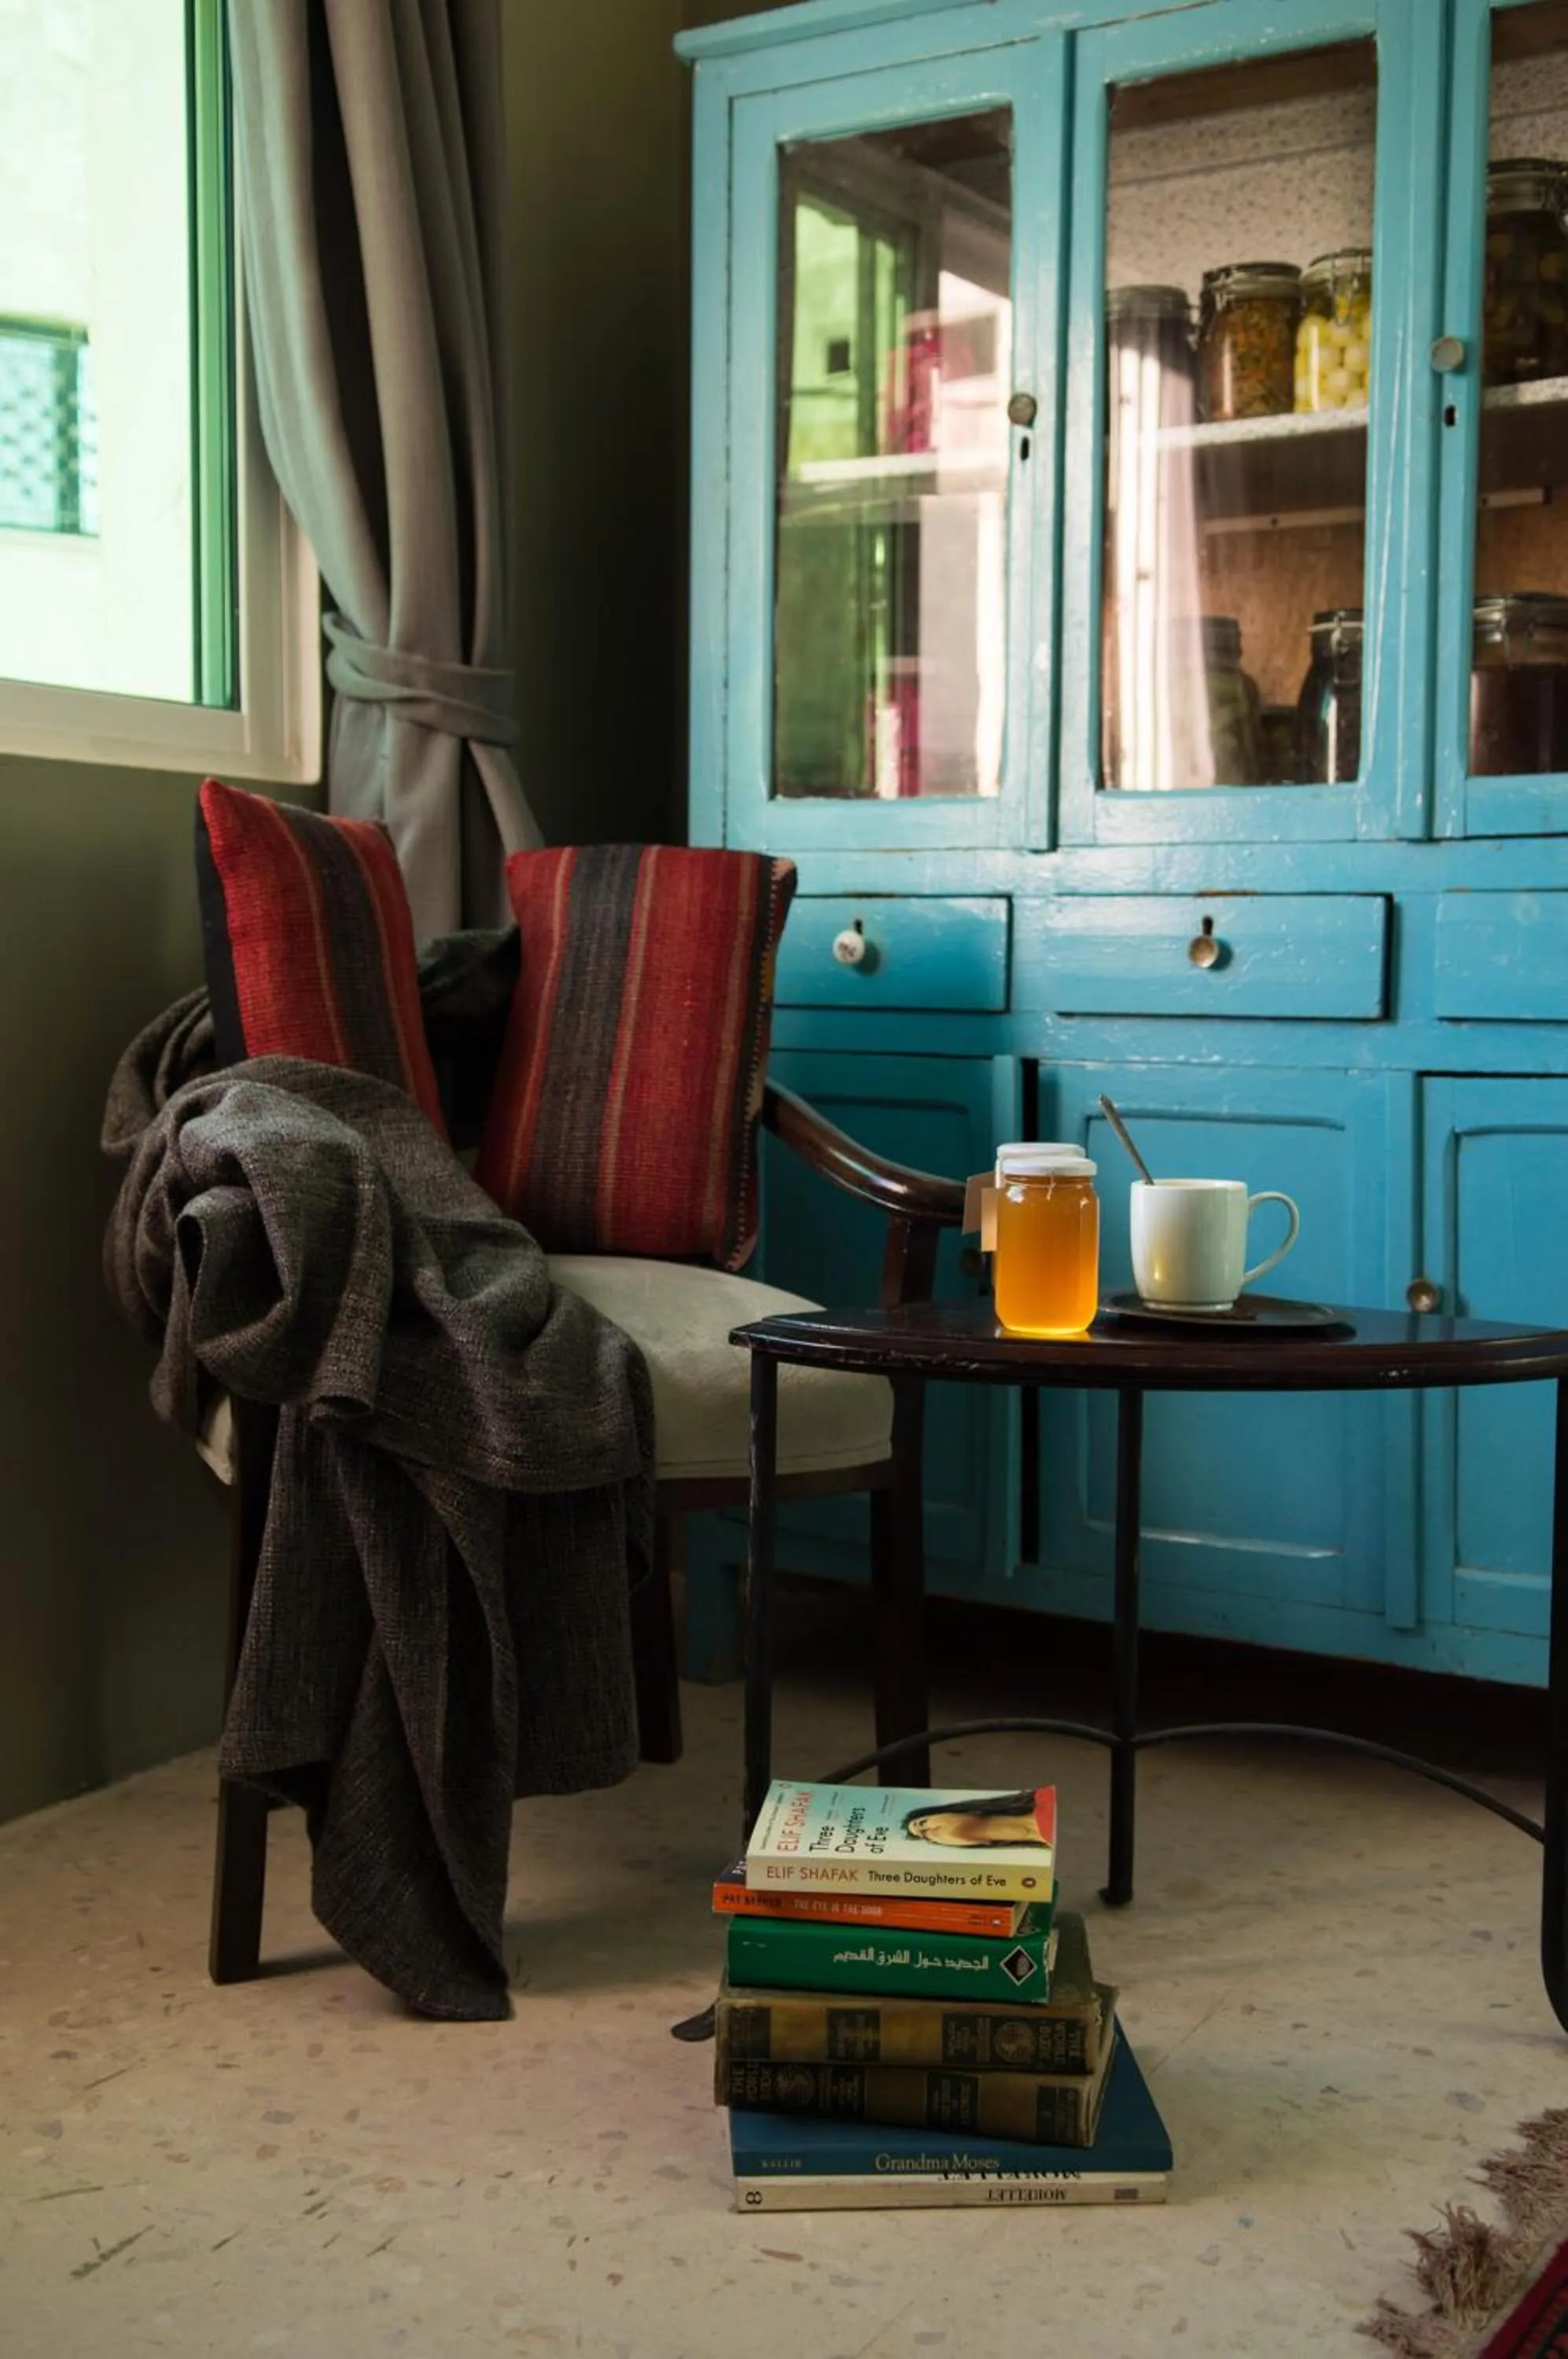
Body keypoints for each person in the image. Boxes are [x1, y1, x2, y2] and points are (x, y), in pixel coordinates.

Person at [900, 1790, 1052, 1849]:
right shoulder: (1049, 1848)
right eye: (925, 1836)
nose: (928, 1831)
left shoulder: (1048, 1800)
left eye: (922, 1823)